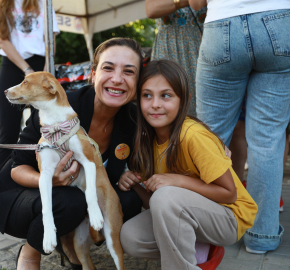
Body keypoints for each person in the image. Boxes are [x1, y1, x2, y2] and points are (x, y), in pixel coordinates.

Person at [0, 37, 144, 270]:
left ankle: (69, 242)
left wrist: (130, 174)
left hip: (73, 191)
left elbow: (121, 168)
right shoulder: (59, 105)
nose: (117, 79)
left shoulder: (133, 119)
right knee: (71, 201)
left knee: (127, 198)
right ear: (93, 73)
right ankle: (30, 252)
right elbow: (17, 167)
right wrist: (50, 179)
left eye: (129, 72)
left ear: (138, 80)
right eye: (108, 68)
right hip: (19, 193)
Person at [119, 59, 258, 270]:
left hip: (230, 216)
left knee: (167, 196)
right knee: (130, 237)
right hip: (190, 212)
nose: (155, 103)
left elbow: (229, 193)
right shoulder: (148, 141)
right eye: (147, 95)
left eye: (166, 95)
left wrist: (177, 180)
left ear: (183, 101)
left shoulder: (193, 135)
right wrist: (135, 183)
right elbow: (158, 206)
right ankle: (194, 247)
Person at [191, 0, 290, 253]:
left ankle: (204, 235)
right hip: (279, 19)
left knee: (209, 137)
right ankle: (261, 236)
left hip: (222, 23)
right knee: (268, 140)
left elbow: (195, 2)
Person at [0, 0, 60, 169]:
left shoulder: (43, 2)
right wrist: (27, 70)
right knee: (8, 131)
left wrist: (45, 71)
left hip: (42, 63)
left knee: (45, 126)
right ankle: (0, 187)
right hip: (12, 64)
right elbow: (2, 40)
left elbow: (51, 39)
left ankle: (43, 175)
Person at [145, 0, 206, 116]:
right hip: (169, 49)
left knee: (203, 107)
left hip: (201, 46)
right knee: (165, 99)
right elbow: (151, 9)